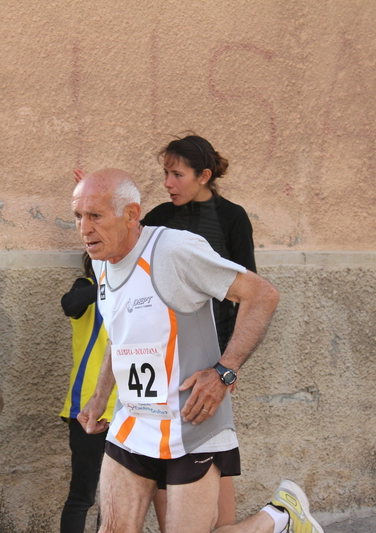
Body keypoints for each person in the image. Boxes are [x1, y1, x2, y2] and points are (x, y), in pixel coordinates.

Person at [73, 169, 323, 533]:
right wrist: (100, 397)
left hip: (191, 422)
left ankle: (279, 518)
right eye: (78, 216)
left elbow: (262, 295)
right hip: (133, 422)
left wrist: (225, 370)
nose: (84, 229)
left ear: (131, 214)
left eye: (95, 215)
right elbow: (121, 334)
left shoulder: (174, 250)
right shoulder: (100, 263)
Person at [140, 134, 256, 529]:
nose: (168, 183)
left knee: (210, 457)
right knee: (163, 465)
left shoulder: (232, 218)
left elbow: (248, 293)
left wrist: (227, 365)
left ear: (204, 176)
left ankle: (274, 520)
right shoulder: (157, 218)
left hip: (208, 362)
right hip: (159, 359)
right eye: (165, 174)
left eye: (177, 174)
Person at [59, 253, 118, 533]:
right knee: (83, 494)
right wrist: (107, 283)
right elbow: (69, 305)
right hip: (87, 410)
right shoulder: (85, 287)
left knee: (114, 499)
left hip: (129, 410)